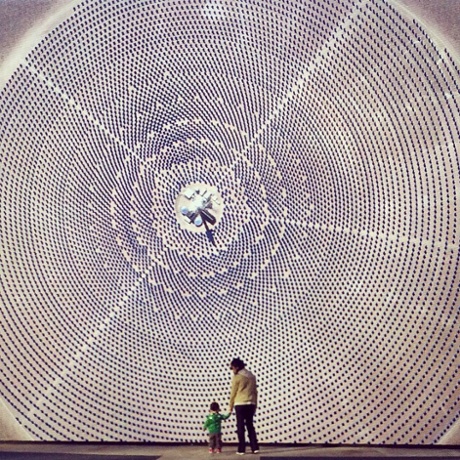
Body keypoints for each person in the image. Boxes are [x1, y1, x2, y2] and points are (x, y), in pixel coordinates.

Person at [228, 358, 260, 455]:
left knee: (240, 426)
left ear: (237, 367)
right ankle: (255, 447)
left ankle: (241, 449)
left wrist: (230, 406)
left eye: (232, 367)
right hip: (251, 403)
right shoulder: (252, 376)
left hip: (240, 403)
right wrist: (255, 404)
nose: (232, 370)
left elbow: (233, 392)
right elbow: (255, 392)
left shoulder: (237, 377)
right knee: (250, 425)